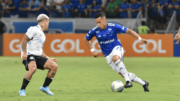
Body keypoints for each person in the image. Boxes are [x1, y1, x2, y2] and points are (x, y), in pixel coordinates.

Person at [84, 12, 149, 92]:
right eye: (96, 23)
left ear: (104, 20)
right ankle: (144, 83)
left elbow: (129, 31)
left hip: (116, 48)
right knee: (123, 73)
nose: (98, 24)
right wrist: (92, 50)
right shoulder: (95, 30)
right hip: (107, 56)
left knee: (115, 58)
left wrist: (140, 39)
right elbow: (86, 39)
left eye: (99, 22)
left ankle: (128, 81)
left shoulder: (113, 26)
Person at [19, 14, 58, 96]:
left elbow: (39, 50)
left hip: (37, 56)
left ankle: (45, 87)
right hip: (29, 54)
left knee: (54, 66)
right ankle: (22, 90)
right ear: (46, 22)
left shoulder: (43, 35)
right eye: (48, 23)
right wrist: (25, 53)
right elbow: (24, 39)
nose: (48, 24)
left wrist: (48, 58)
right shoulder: (33, 29)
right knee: (33, 68)